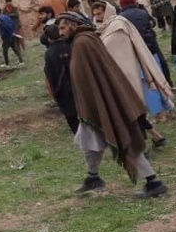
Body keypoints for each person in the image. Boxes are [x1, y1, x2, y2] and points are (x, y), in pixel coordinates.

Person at [58, 14, 168, 198]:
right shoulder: (85, 40)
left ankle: (153, 182)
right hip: (97, 106)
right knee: (89, 142)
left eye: (63, 28)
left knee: (125, 139)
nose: (60, 32)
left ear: (74, 26)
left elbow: (88, 79)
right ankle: (93, 177)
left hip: (104, 106)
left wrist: (95, 106)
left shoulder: (82, 43)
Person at [98, 12, 170, 149]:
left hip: (124, 75)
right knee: (134, 111)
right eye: (95, 14)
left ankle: (144, 144)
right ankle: (155, 136)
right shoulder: (106, 29)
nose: (98, 17)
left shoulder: (118, 27)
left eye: (99, 13)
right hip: (119, 77)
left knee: (131, 112)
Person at [119, 0, 176, 121]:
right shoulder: (142, 13)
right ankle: (171, 109)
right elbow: (151, 28)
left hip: (136, 55)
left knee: (147, 84)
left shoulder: (121, 18)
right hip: (151, 52)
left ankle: (158, 114)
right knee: (158, 80)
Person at [42, 24, 79, 134]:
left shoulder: (49, 53)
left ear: (48, 38)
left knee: (72, 120)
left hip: (62, 91)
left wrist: (52, 93)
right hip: (77, 87)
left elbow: (49, 75)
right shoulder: (69, 45)